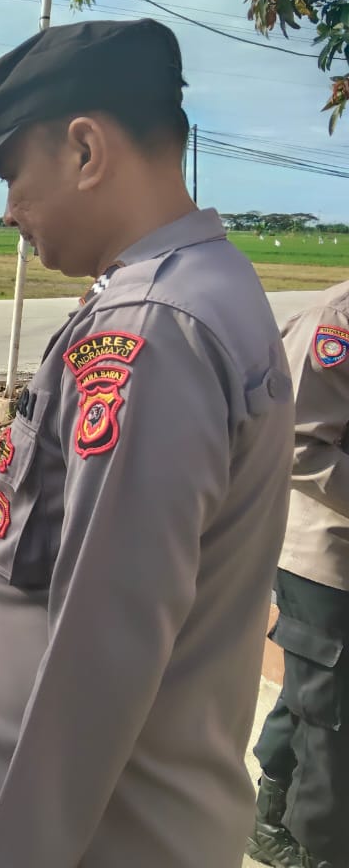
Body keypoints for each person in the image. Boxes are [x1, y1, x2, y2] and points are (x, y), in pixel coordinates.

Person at [0, 18, 294, 868]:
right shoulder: (197, 284)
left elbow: (102, 648)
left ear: (86, 149)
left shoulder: (150, 327)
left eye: (12, 174)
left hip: (98, 836)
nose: (9, 210)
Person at [248, 280, 349, 868]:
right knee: (332, 720)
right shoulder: (334, 321)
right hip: (325, 557)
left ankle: (270, 817)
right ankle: (320, 849)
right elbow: (295, 445)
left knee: (314, 696)